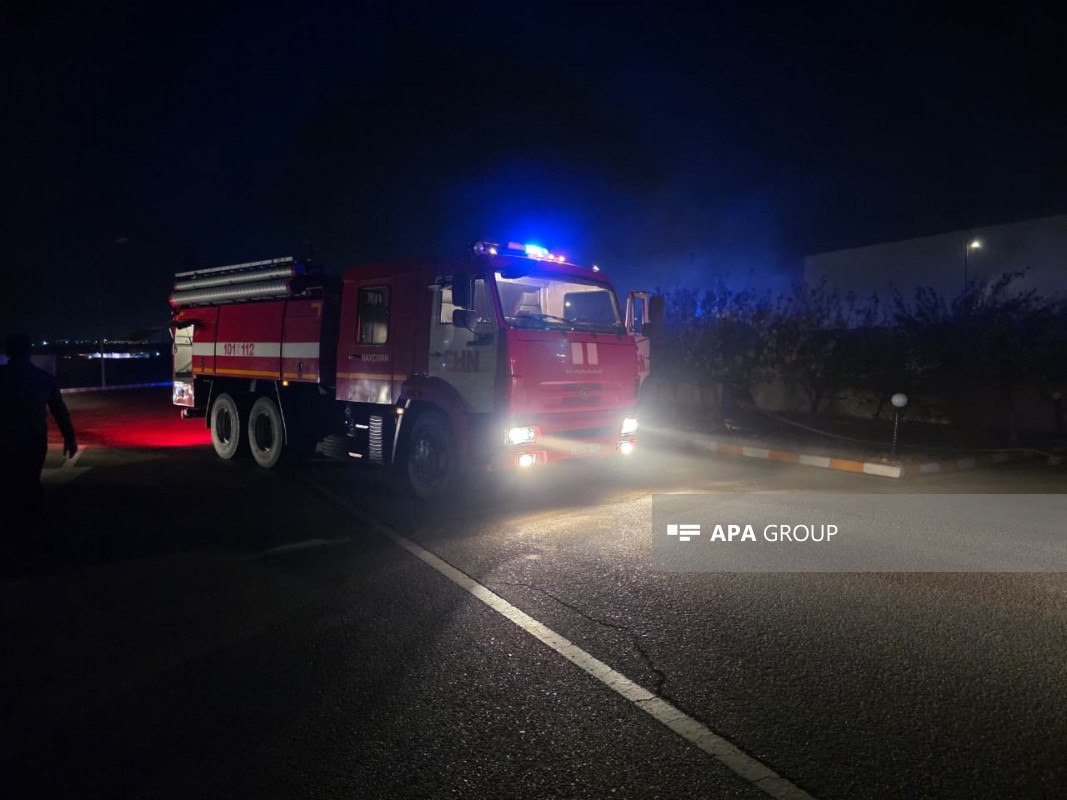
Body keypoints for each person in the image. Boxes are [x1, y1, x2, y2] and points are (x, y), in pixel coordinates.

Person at [0, 334, 77, 563]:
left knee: (7, 483)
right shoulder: (44, 379)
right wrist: (69, 438)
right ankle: (33, 532)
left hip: (4, 440)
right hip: (33, 440)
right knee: (31, 482)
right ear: (29, 351)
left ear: (7, 351)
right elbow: (59, 411)